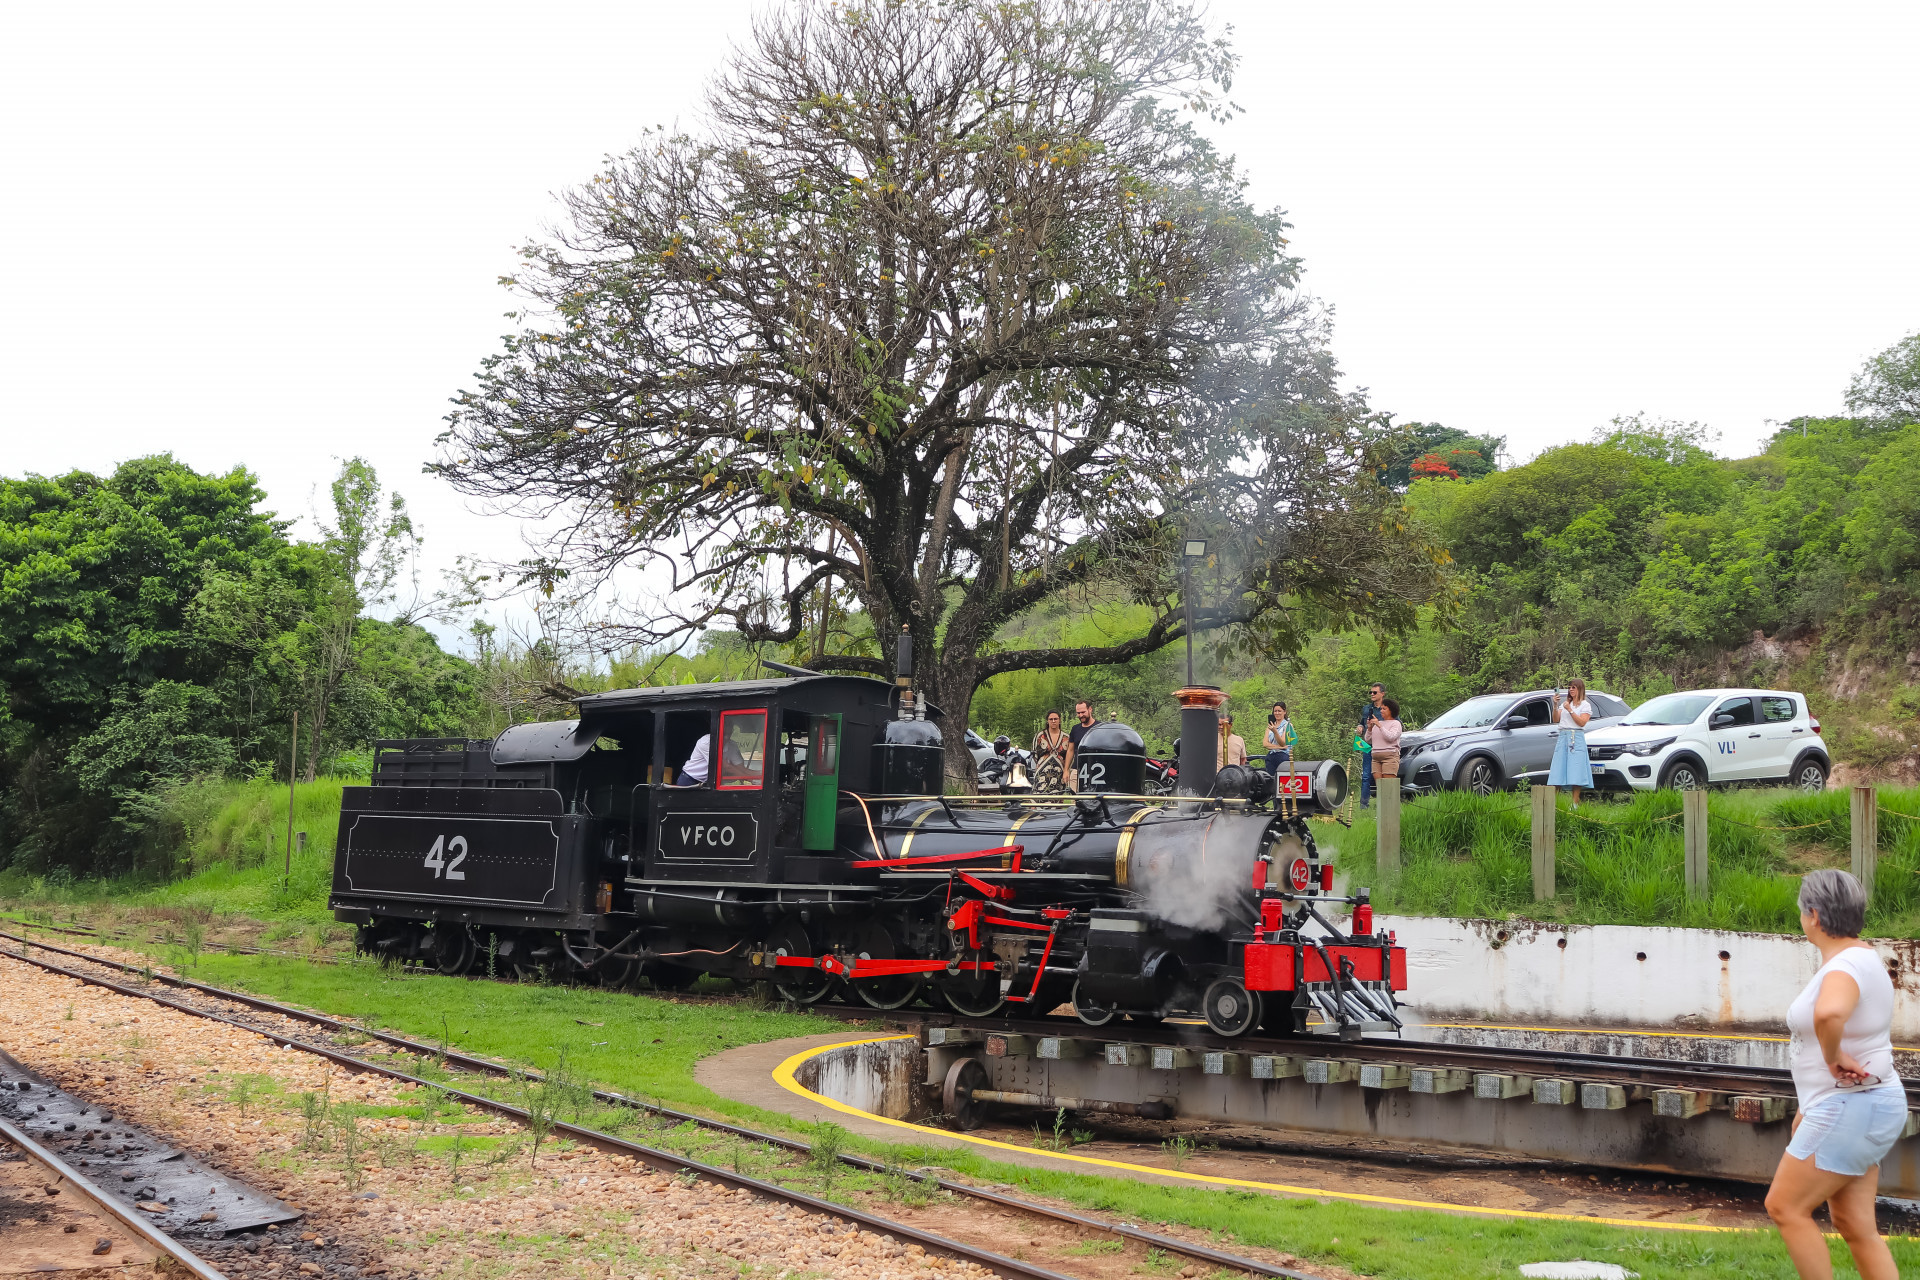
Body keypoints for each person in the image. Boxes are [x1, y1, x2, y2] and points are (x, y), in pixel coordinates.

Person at [1764, 869, 1903, 1280]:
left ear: (1815, 915)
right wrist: (1811, 1105)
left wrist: (1832, 1055)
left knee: (1785, 1208)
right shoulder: (1861, 958)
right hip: (1859, 1106)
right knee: (1856, 1226)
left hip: (1851, 1107)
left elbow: (1829, 1013)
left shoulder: (1847, 965)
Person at [1548, 678, 1595, 807]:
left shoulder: (1585, 705)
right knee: (1559, 767)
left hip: (1576, 737)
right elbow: (1556, 719)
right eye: (1569, 687)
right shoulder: (1565, 703)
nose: (1571, 690)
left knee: (1576, 768)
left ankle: (1575, 803)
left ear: (1580, 689)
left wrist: (1570, 710)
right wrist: (1556, 705)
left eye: (1574, 687)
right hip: (1563, 736)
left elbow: (1582, 722)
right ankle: (1554, 803)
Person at [1356, 684, 1386, 808]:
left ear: (1382, 694)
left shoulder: (1387, 708)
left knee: (1384, 776)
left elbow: (1396, 723)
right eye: (1371, 692)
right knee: (1366, 775)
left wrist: (1379, 725)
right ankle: (1364, 805)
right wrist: (1360, 727)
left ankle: (1384, 803)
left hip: (1383, 746)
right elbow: (1361, 723)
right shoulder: (1366, 709)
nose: (1372, 695)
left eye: (1375, 692)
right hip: (1368, 745)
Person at [1366, 698, 1403, 790]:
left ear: (1391, 710)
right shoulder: (1378, 723)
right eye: (1381, 708)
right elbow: (1368, 740)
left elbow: (1390, 737)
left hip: (1390, 756)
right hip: (1376, 757)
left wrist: (1379, 726)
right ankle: (1381, 804)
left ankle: (1390, 804)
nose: (1381, 711)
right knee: (1380, 786)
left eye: (1384, 709)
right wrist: (1370, 728)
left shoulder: (1396, 723)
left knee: (1388, 786)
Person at [1033, 711, 1071, 793]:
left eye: (1055, 719)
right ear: (1047, 721)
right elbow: (1034, 753)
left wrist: (1066, 769)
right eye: (1051, 719)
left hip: (1059, 772)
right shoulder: (1040, 736)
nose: (1053, 721)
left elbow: (1069, 755)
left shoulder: (1066, 737)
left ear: (1059, 720)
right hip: (1042, 771)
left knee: (1056, 795)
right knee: (1039, 794)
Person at [1066, 699, 1096, 788]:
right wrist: (1066, 770)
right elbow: (1070, 750)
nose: (1081, 715)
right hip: (1076, 770)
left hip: (1095, 770)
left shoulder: (1100, 727)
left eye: (1083, 712)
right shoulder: (1075, 729)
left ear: (1090, 709)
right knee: (1074, 800)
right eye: (1078, 713)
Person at [1263, 702, 1296, 776]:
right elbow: (1265, 744)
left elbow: (1283, 743)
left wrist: (1275, 732)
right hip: (1271, 755)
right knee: (1270, 779)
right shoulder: (1270, 726)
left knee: (1282, 779)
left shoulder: (1288, 725)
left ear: (1284, 712)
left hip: (1283, 756)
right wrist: (1279, 747)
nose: (1277, 713)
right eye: (1275, 711)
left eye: (1279, 711)